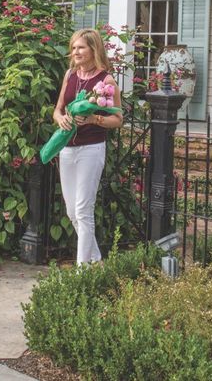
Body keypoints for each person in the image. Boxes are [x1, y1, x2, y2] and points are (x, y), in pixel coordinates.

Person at [53, 28, 123, 265]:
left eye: (81, 47)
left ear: (94, 49)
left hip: (91, 149)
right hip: (67, 148)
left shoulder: (106, 81)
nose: (75, 52)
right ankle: (96, 260)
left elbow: (118, 119)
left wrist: (95, 119)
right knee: (72, 212)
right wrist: (60, 118)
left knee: (83, 210)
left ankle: (82, 271)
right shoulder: (70, 75)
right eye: (73, 48)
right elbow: (58, 108)